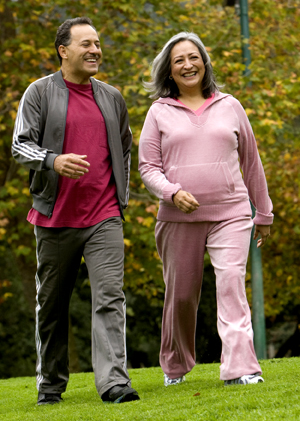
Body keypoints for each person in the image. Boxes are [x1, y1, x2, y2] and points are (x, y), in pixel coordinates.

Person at [12, 17, 140, 405]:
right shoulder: (39, 93)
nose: (95, 50)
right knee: (52, 305)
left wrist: (121, 198)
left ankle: (114, 383)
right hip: (54, 219)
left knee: (109, 297)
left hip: (104, 216)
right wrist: (53, 161)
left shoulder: (112, 97)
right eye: (86, 44)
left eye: (97, 43)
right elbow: (21, 146)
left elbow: (125, 148)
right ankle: (50, 384)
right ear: (63, 50)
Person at [139, 32, 273, 387]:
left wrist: (264, 212)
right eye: (179, 60)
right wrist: (172, 193)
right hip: (177, 218)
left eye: (193, 57)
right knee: (181, 296)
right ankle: (176, 366)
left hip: (231, 213)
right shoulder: (158, 112)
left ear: (204, 62)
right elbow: (147, 168)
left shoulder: (230, 105)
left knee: (231, 285)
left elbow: (251, 161)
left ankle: (241, 368)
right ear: (169, 71)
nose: (188, 64)